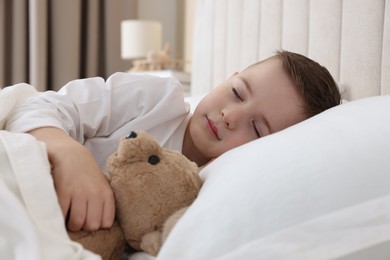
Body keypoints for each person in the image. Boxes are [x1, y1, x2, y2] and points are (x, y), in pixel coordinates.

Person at [6, 50, 341, 233]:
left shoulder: (212, 193)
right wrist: (68, 154)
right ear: (230, 77)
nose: (230, 115)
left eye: (257, 129)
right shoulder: (157, 100)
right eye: (237, 93)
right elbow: (39, 107)